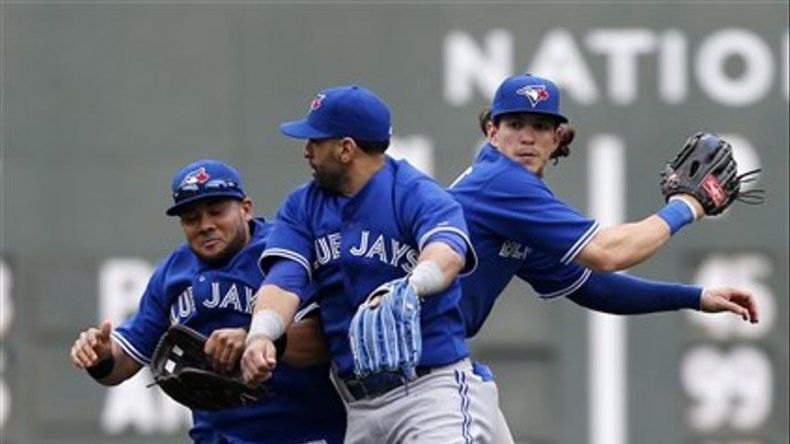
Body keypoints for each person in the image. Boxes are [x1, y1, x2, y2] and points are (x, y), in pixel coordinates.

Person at [241, 85, 513, 443]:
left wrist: (413, 286)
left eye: (316, 141)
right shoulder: (302, 206)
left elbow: (448, 250)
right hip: (358, 408)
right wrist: (261, 334)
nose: (306, 151)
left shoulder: (413, 191)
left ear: (346, 149)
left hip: (431, 394)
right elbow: (284, 280)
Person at [449, 73, 759, 343]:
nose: (527, 138)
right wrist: (685, 206)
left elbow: (591, 286)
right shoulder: (503, 182)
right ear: (492, 132)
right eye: (515, 124)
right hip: (428, 353)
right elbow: (607, 253)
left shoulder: (509, 201)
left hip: (430, 349)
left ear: (556, 138)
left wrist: (696, 297)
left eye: (540, 126)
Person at [69, 159, 346, 444]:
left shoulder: (283, 251)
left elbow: (326, 340)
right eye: (191, 218)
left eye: (216, 212)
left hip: (301, 433)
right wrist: (101, 357)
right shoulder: (172, 274)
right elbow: (122, 364)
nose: (205, 226)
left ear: (246, 209)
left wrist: (257, 338)